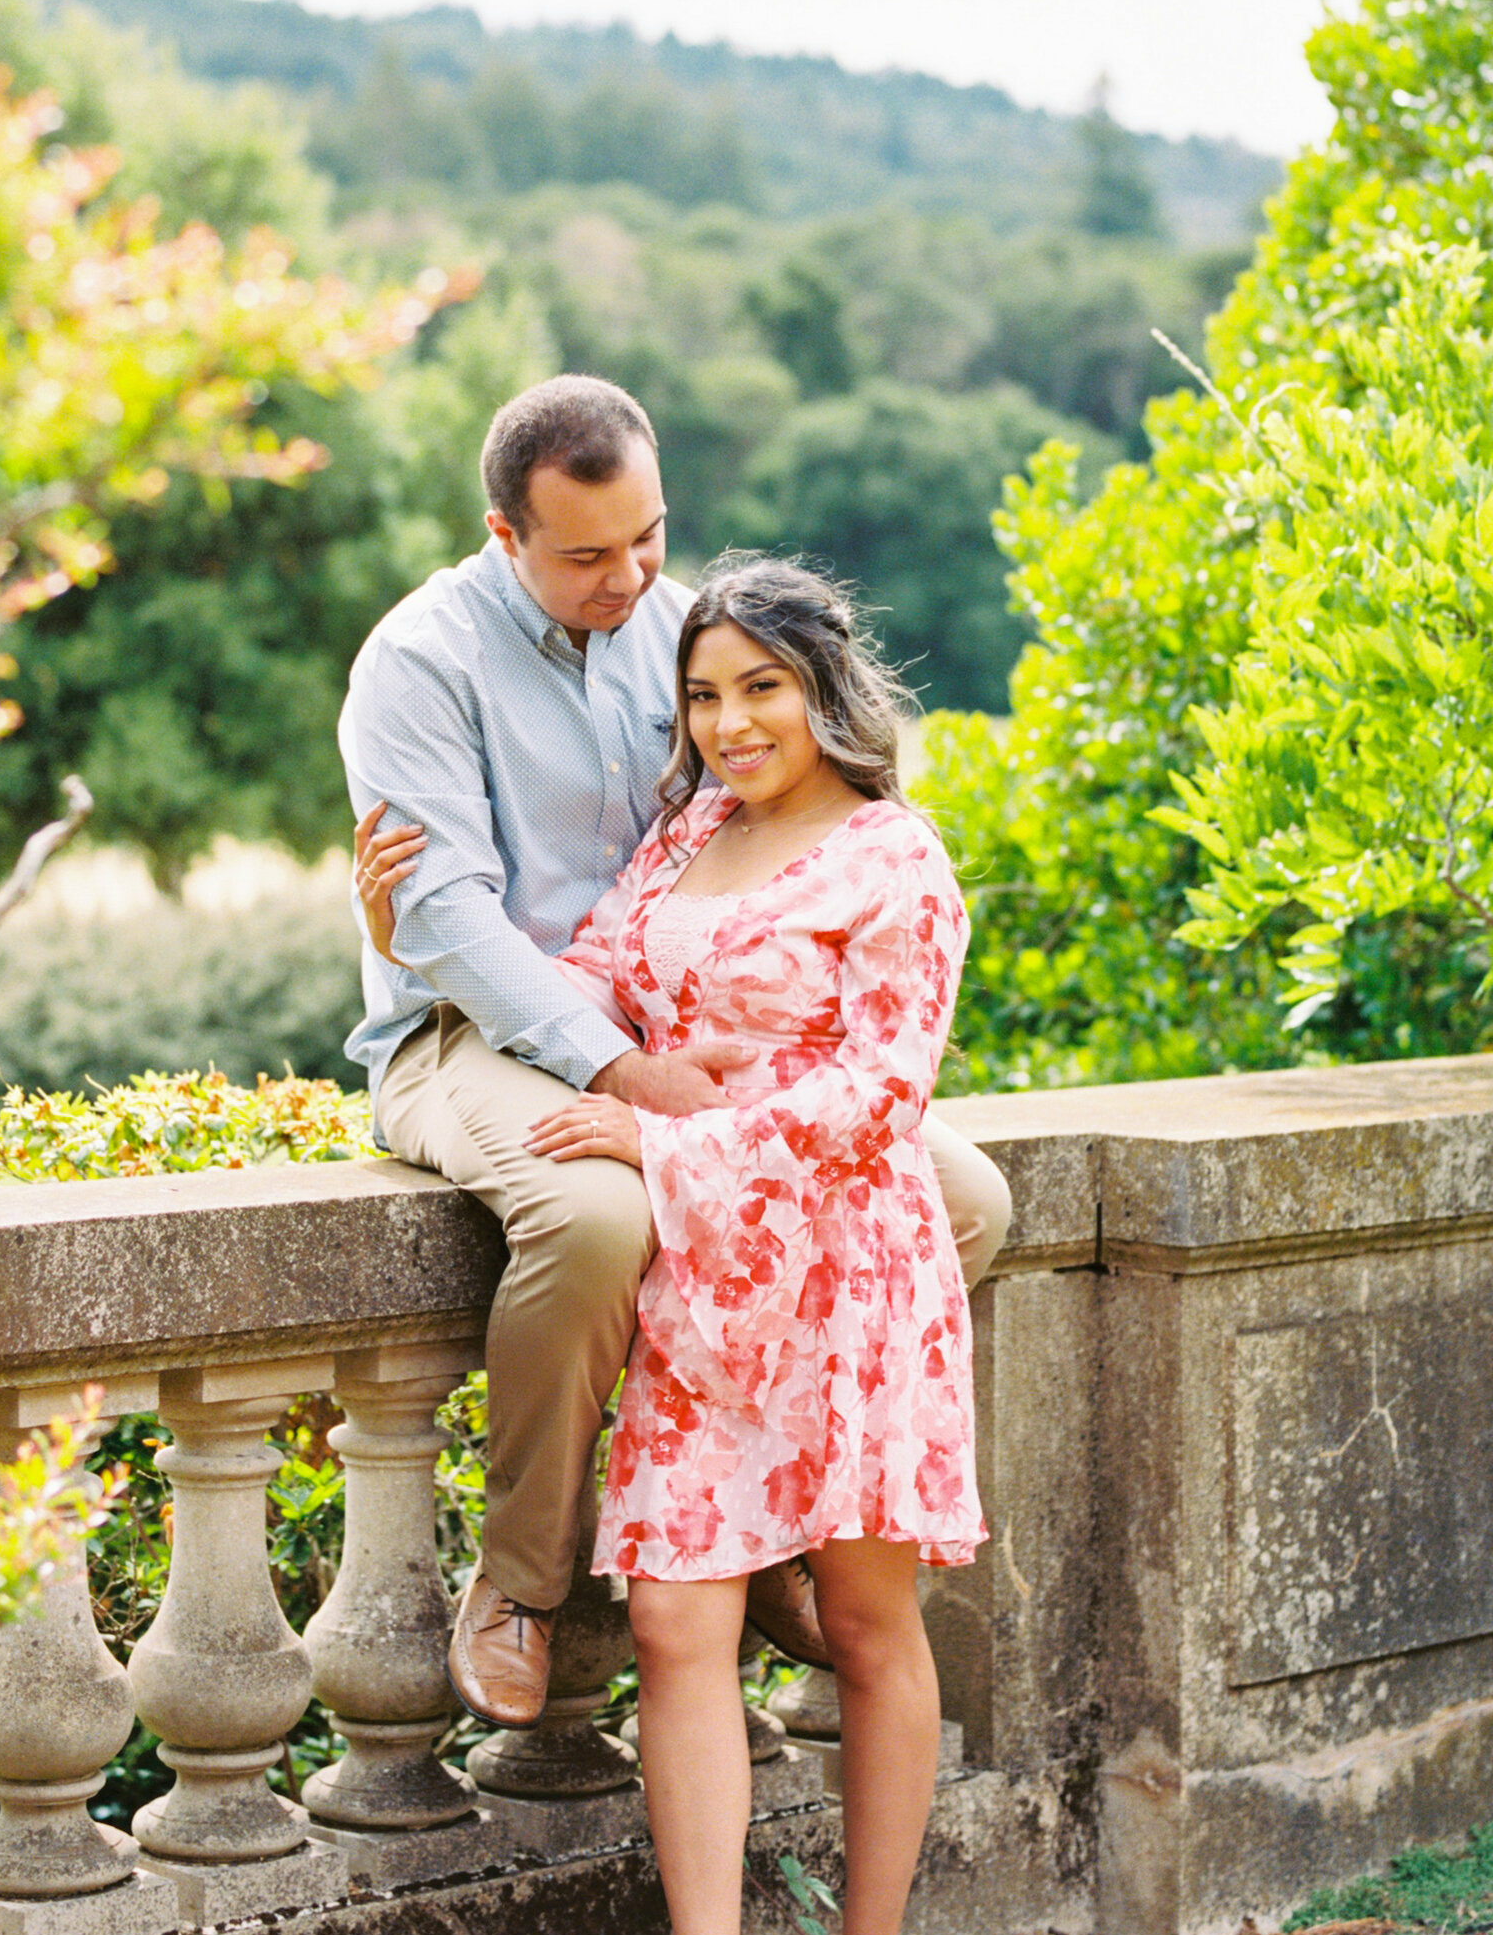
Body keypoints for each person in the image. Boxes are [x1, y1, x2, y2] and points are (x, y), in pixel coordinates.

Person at [359, 552, 981, 1935]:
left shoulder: (896, 858)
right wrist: (429, 958)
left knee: (863, 1617)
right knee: (680, 1624)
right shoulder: (685, 835)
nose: (727, 722)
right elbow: (590, 980)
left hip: (845, 1280)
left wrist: (669, 1127)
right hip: (709, 1294)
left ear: (827, 689)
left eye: (761, 688)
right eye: (703, 695)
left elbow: (877, 1097)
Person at [337, 374, 1010, 1736]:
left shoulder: (676, 625)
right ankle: (521, 1582)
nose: (629, 574)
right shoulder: (418, 662)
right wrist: (618, 1071)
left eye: (647, 535)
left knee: (966, 1197)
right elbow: (447, 914)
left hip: (673, 1031)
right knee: (599, 1216)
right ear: (501, 533)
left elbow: (764, 799)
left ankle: (765, 1522)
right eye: (587, 553)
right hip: (476, 1030)